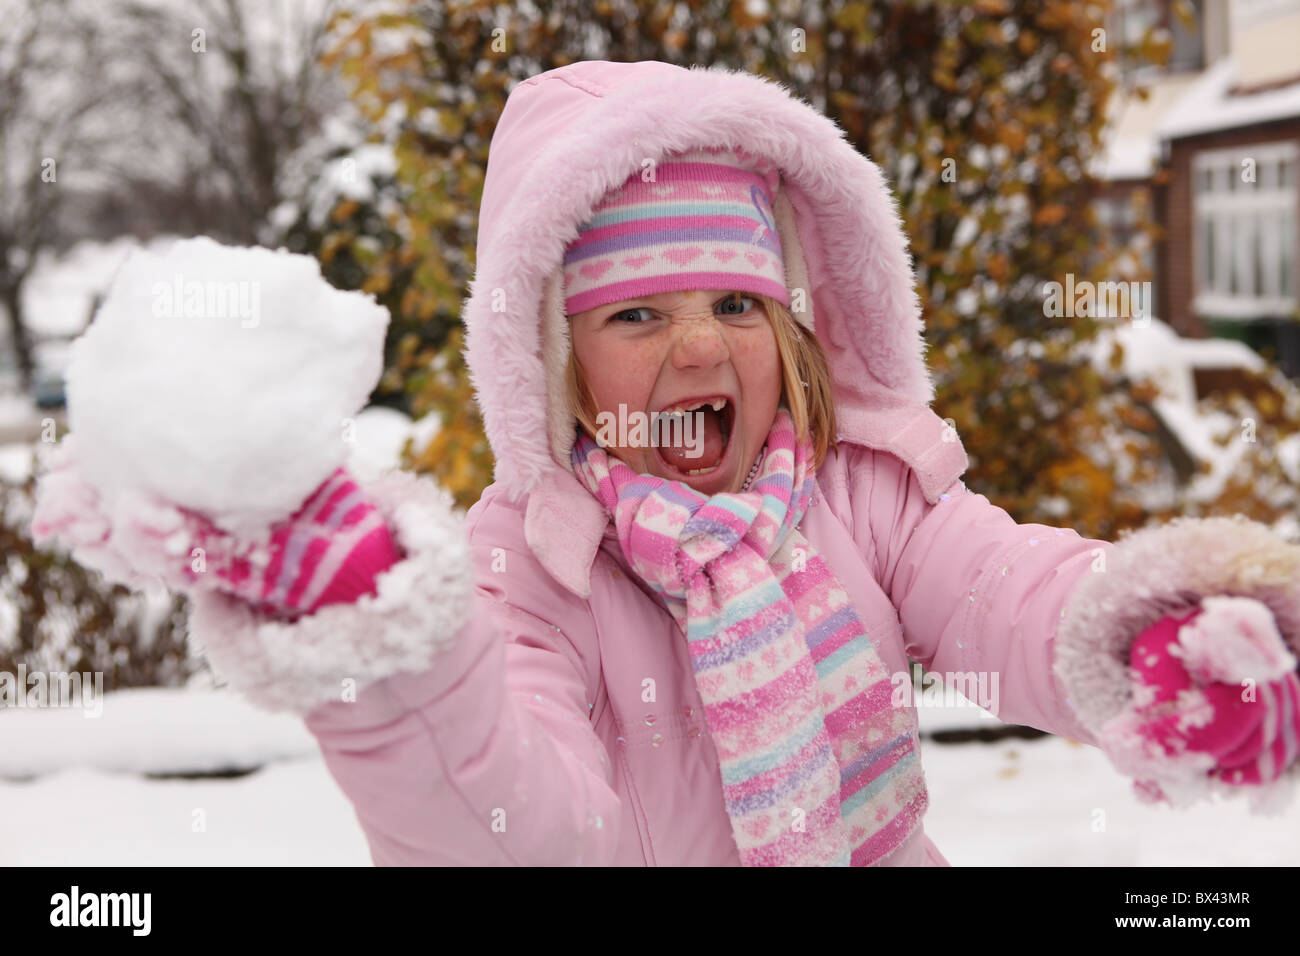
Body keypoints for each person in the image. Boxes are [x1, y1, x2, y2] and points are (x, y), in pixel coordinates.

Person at [31, 59, 1300, 866]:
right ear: (554, 357)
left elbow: (1009, 590)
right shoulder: (530, 572)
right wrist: (389, 660)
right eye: (638, 315)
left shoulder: (855, 496)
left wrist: (1145, 639)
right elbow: (515, 830)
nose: (700, 342)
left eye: (737, 307)